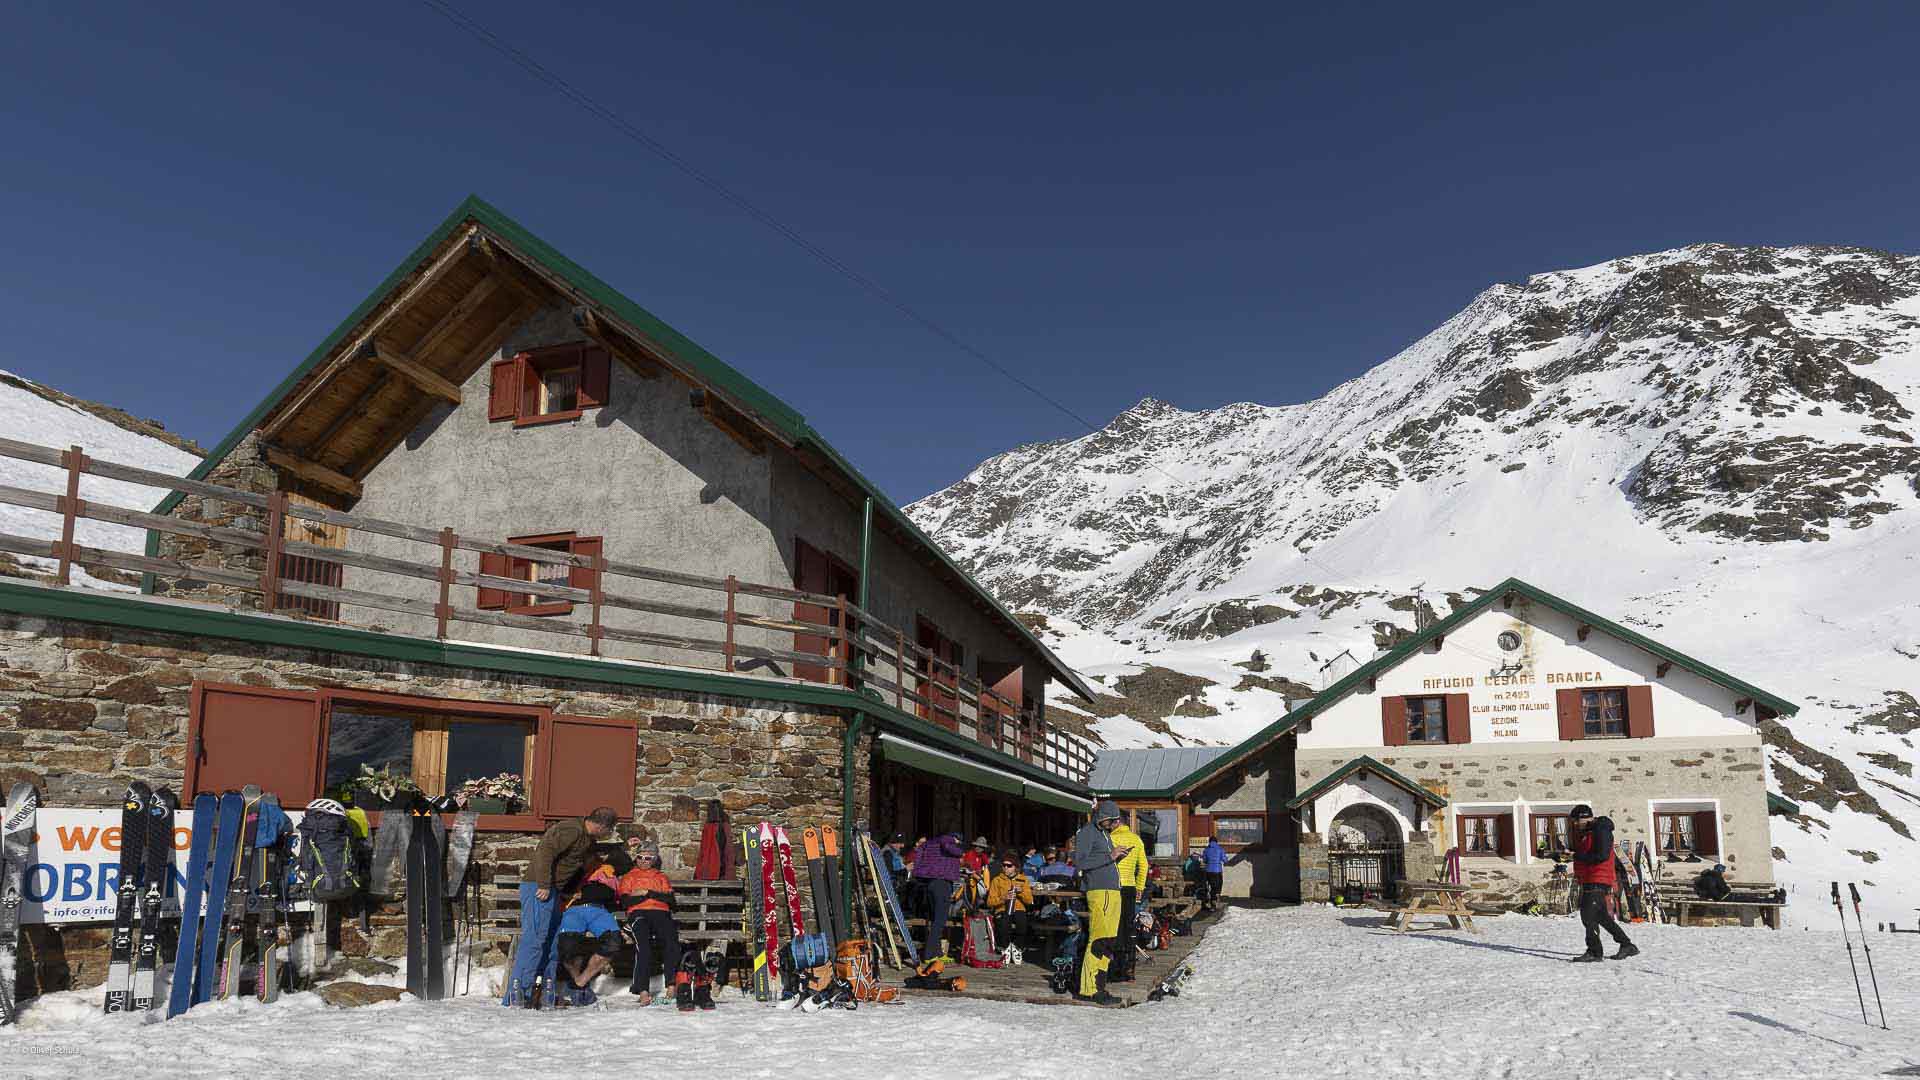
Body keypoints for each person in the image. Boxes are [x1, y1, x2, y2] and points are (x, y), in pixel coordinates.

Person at [504, 806, 619, 1006]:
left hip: (555, 892)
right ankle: (519, 992)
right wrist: (543, 884)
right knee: (535, 939)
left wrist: (565, 892)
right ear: (602, 826)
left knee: (552, 941)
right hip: (539, 888)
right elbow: (545, 851)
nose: (610, 833)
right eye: (610, 829)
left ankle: (542, 992)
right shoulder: (571, 829)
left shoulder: (588, 839)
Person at [1568, 804, 1638, 962]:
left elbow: (1601, 856)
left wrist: (1576, 856)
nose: (1575, 824)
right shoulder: (1591, 832)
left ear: (1585, 818)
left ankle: (1594, 952)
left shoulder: (1601, 830)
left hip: (1598, 877)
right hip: (1591, 878)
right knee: (1601, 917)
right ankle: (1627, 945)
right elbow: (1589, 853)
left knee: (1587, 915)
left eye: (1577, 821)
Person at [1070, 801, 1125, 1005]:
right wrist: (1110, 856)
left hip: (1112, 891)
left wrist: (1115, 858)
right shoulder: (1087, 832)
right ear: (1103, 817)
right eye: (1112, 820)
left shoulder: (1104, 834)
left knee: (1108, 940)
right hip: (1099, 892)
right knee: (1099, 939)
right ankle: (1088, 989)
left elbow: (1101, 860)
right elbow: (1080, 862)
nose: (1115, 823)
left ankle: (1099, 986)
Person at [618, 838, 684, 1004]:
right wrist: (654, 896)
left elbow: (670, 901)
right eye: (640, 857)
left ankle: (671, 984)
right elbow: (626, 901)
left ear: (654, 859)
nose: (643, 861)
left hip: (661, 913)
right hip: (638, 914)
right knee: (644, 946)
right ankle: (643, 990)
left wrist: (646, 893)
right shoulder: (629, 877)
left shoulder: (660, 877)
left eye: (648, 858)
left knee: (671, 942)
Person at [553, 869, 622, 1005]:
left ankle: (578, 984)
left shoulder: (609, 869)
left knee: (612, 942)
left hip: (599, 910)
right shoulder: (572, 868)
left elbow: (611, 893)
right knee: (567, 946)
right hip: (573, 910)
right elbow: (561, 889)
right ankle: (580, 986)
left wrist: (585, 894)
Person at [911, 832, 965, 961]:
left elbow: (918, 859)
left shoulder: (928, 844)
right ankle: (930, 954)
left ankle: (938, 953)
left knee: (935, 919)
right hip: (942, 882)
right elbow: (955, 851)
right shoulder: (948, 841)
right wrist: (960, 851)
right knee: (940, 920)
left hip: (929, 882)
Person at [1109, 815, 1148, 982]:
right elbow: (1144, 865)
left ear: (1117, 822)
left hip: (1112, 887)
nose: (1108, 825)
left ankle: (1116, 966)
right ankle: (1130, 968)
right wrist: (1140, 887)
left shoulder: (1109, 839)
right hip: (1130, 887)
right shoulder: (1136, 839)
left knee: (1114, 927)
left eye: (1111, 822)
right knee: (1128, 925)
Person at [986, 851, 1037, 952]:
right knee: (1003, 924)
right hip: (1002, 909)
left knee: (1022, 924)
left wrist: (1021, 892)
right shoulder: (997, 880)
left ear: (1015, 867)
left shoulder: (1023, 879)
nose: (1005, 868)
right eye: (1004, 865)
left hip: (1018, 908)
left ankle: (1018, 948)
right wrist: (1003, 898)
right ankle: (1005, 948)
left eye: (1009, 866)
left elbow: (1029, 900)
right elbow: (990, 902)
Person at [1201, 835, 1226, 912]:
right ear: (1216, 842)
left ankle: (1211, 902)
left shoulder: (1206, 850)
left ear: (1209, 842)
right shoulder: (1220, 849)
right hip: (1217, 871)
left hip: (1208, 871)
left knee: (1211, 886)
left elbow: (1204, 860)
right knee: (1217, 886)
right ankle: (1215, 901)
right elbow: (1225, 860)